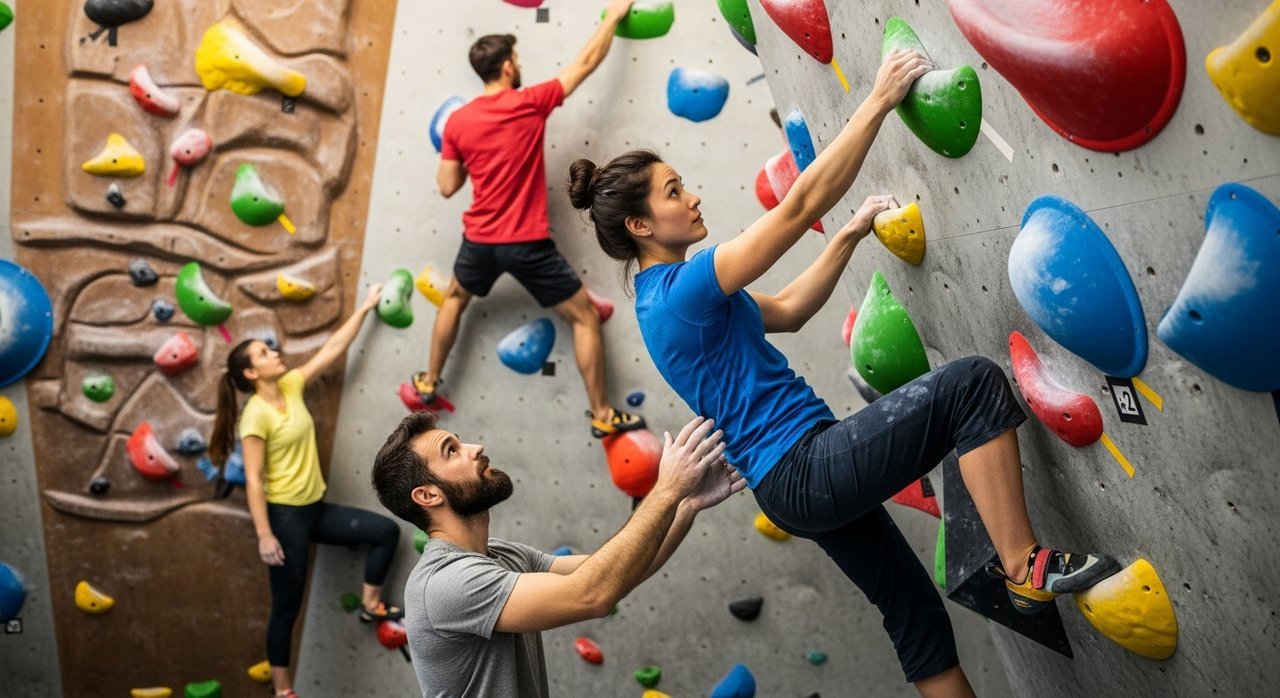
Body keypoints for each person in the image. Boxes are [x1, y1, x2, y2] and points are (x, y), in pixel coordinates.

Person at [568, 49, 1120, 697]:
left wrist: (850, 234)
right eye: (672, 193)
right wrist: (880, 98)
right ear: (639, 226)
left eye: (682, 183)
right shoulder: (682, 290)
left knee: (913, 617)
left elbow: (791, 310)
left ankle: (1015, 578)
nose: (690, 197)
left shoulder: (668, 301)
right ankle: (1024, 568)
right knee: (971, 386)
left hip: (791, 482)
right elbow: (799, 204)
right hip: (801, 466)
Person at [371, 412, 743, 697]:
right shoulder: (444, 584)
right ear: (428, 496)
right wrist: (665, 491)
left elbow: (621, 571)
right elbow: (591, 594)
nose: (475, 448)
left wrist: (686, 503)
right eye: (451, 451)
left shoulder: (500, 557)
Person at [414, 0, 645, 439]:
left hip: (480, 241)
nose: (519, 65)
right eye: (516, 60)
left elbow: (446, 186)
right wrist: (613, 16)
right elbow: (586, 62)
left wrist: (470, 154)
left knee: (454, 299)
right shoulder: (529, 102)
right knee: (584, 318)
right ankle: (601, 413)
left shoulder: (459, 122)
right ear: (505, 67)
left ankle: (427, 381)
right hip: (526, 244)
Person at [209, 285, 403, 698]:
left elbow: (333, 349)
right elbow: (255, 480)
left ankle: (370, 605)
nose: (273, 353)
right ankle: (283, 691)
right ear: (250, 374)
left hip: (313, 510)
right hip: (285, 520)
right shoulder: (255, 417)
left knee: (386, 532)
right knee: (286, 608)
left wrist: (366, 306)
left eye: (268, 349)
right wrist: (265, 535)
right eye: (263, 354)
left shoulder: (292, 387)